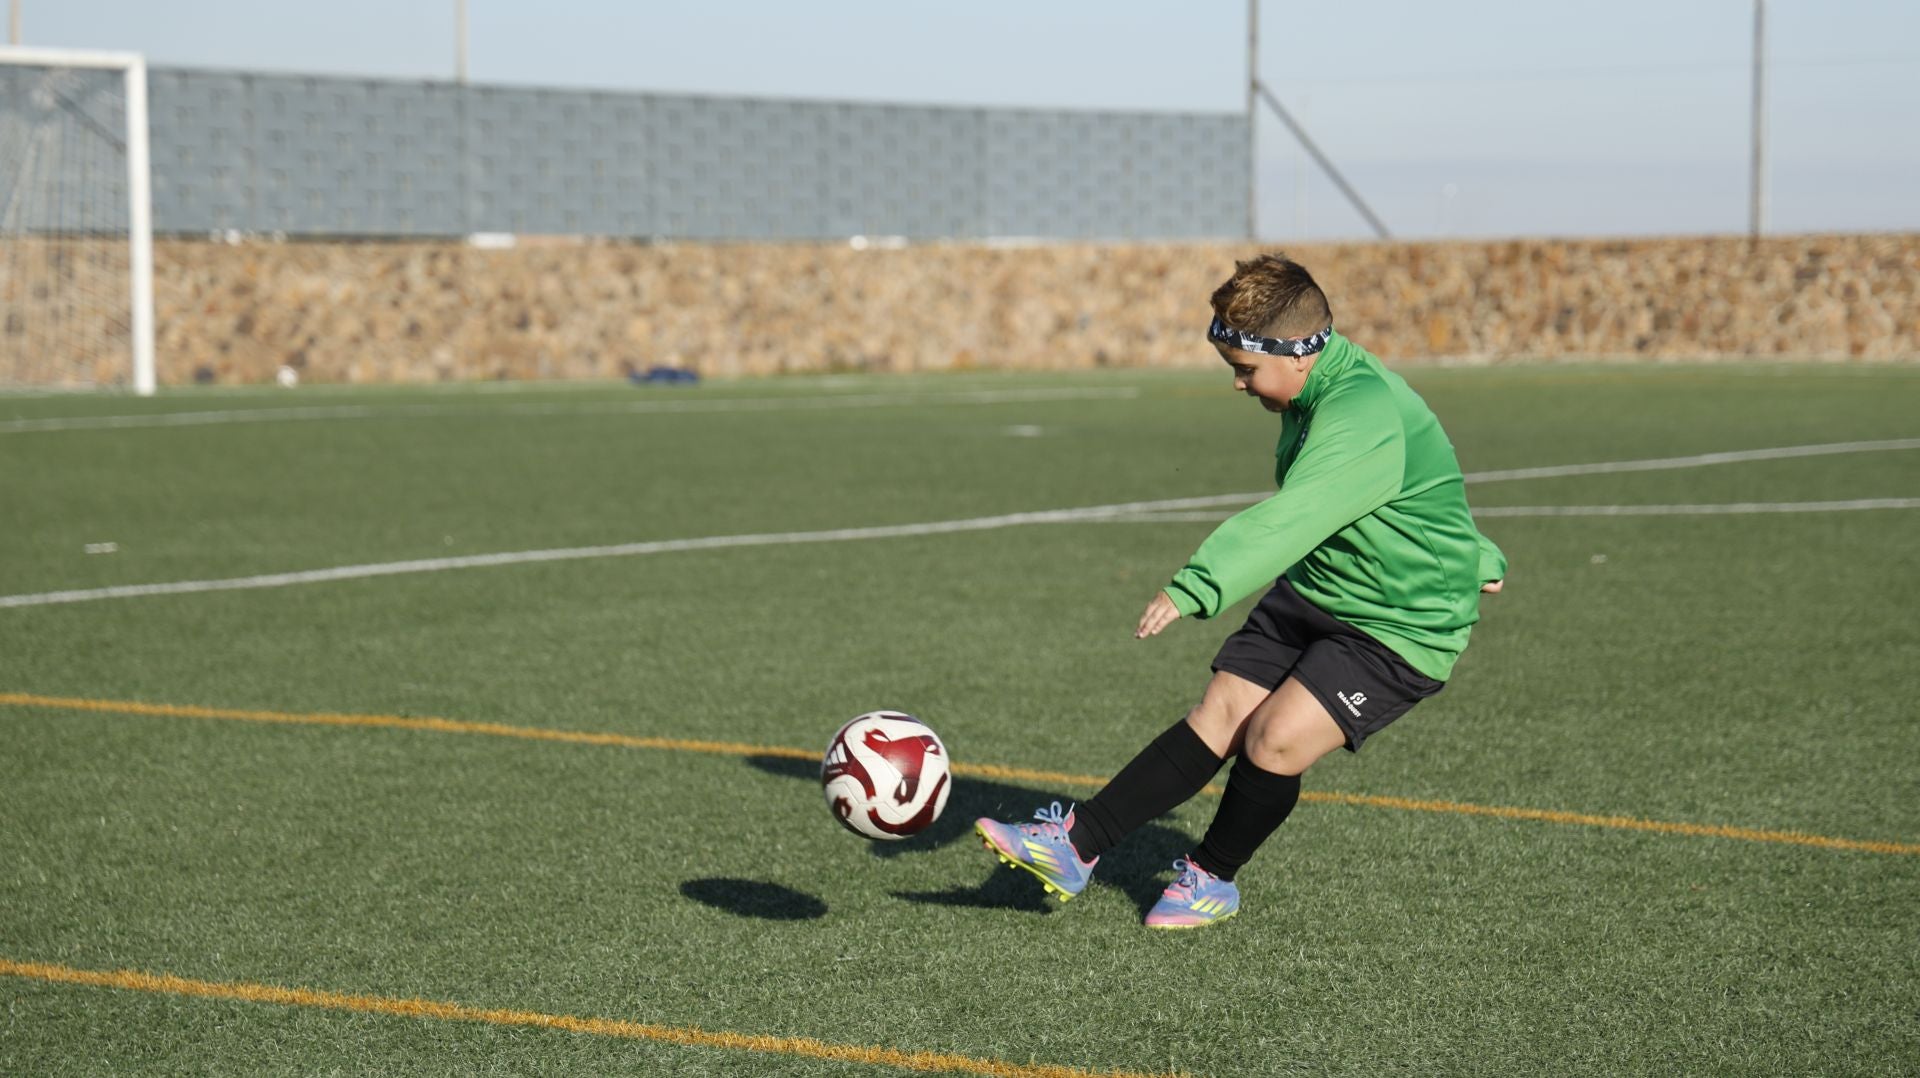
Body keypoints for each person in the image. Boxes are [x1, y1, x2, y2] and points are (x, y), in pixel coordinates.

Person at [975, 253, 1506, 929]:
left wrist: (1199, 584)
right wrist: (1477, 551)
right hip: (1321, 586)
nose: (1238, 385)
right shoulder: (1322, 387)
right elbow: (1419, 485)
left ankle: (1211, 879)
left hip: (1399, 624)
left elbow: (1301, 511)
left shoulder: (1361, 409)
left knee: (1273, 739)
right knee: (1222, 709)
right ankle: (1075, 847)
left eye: (1244, 370)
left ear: (1299, 354)